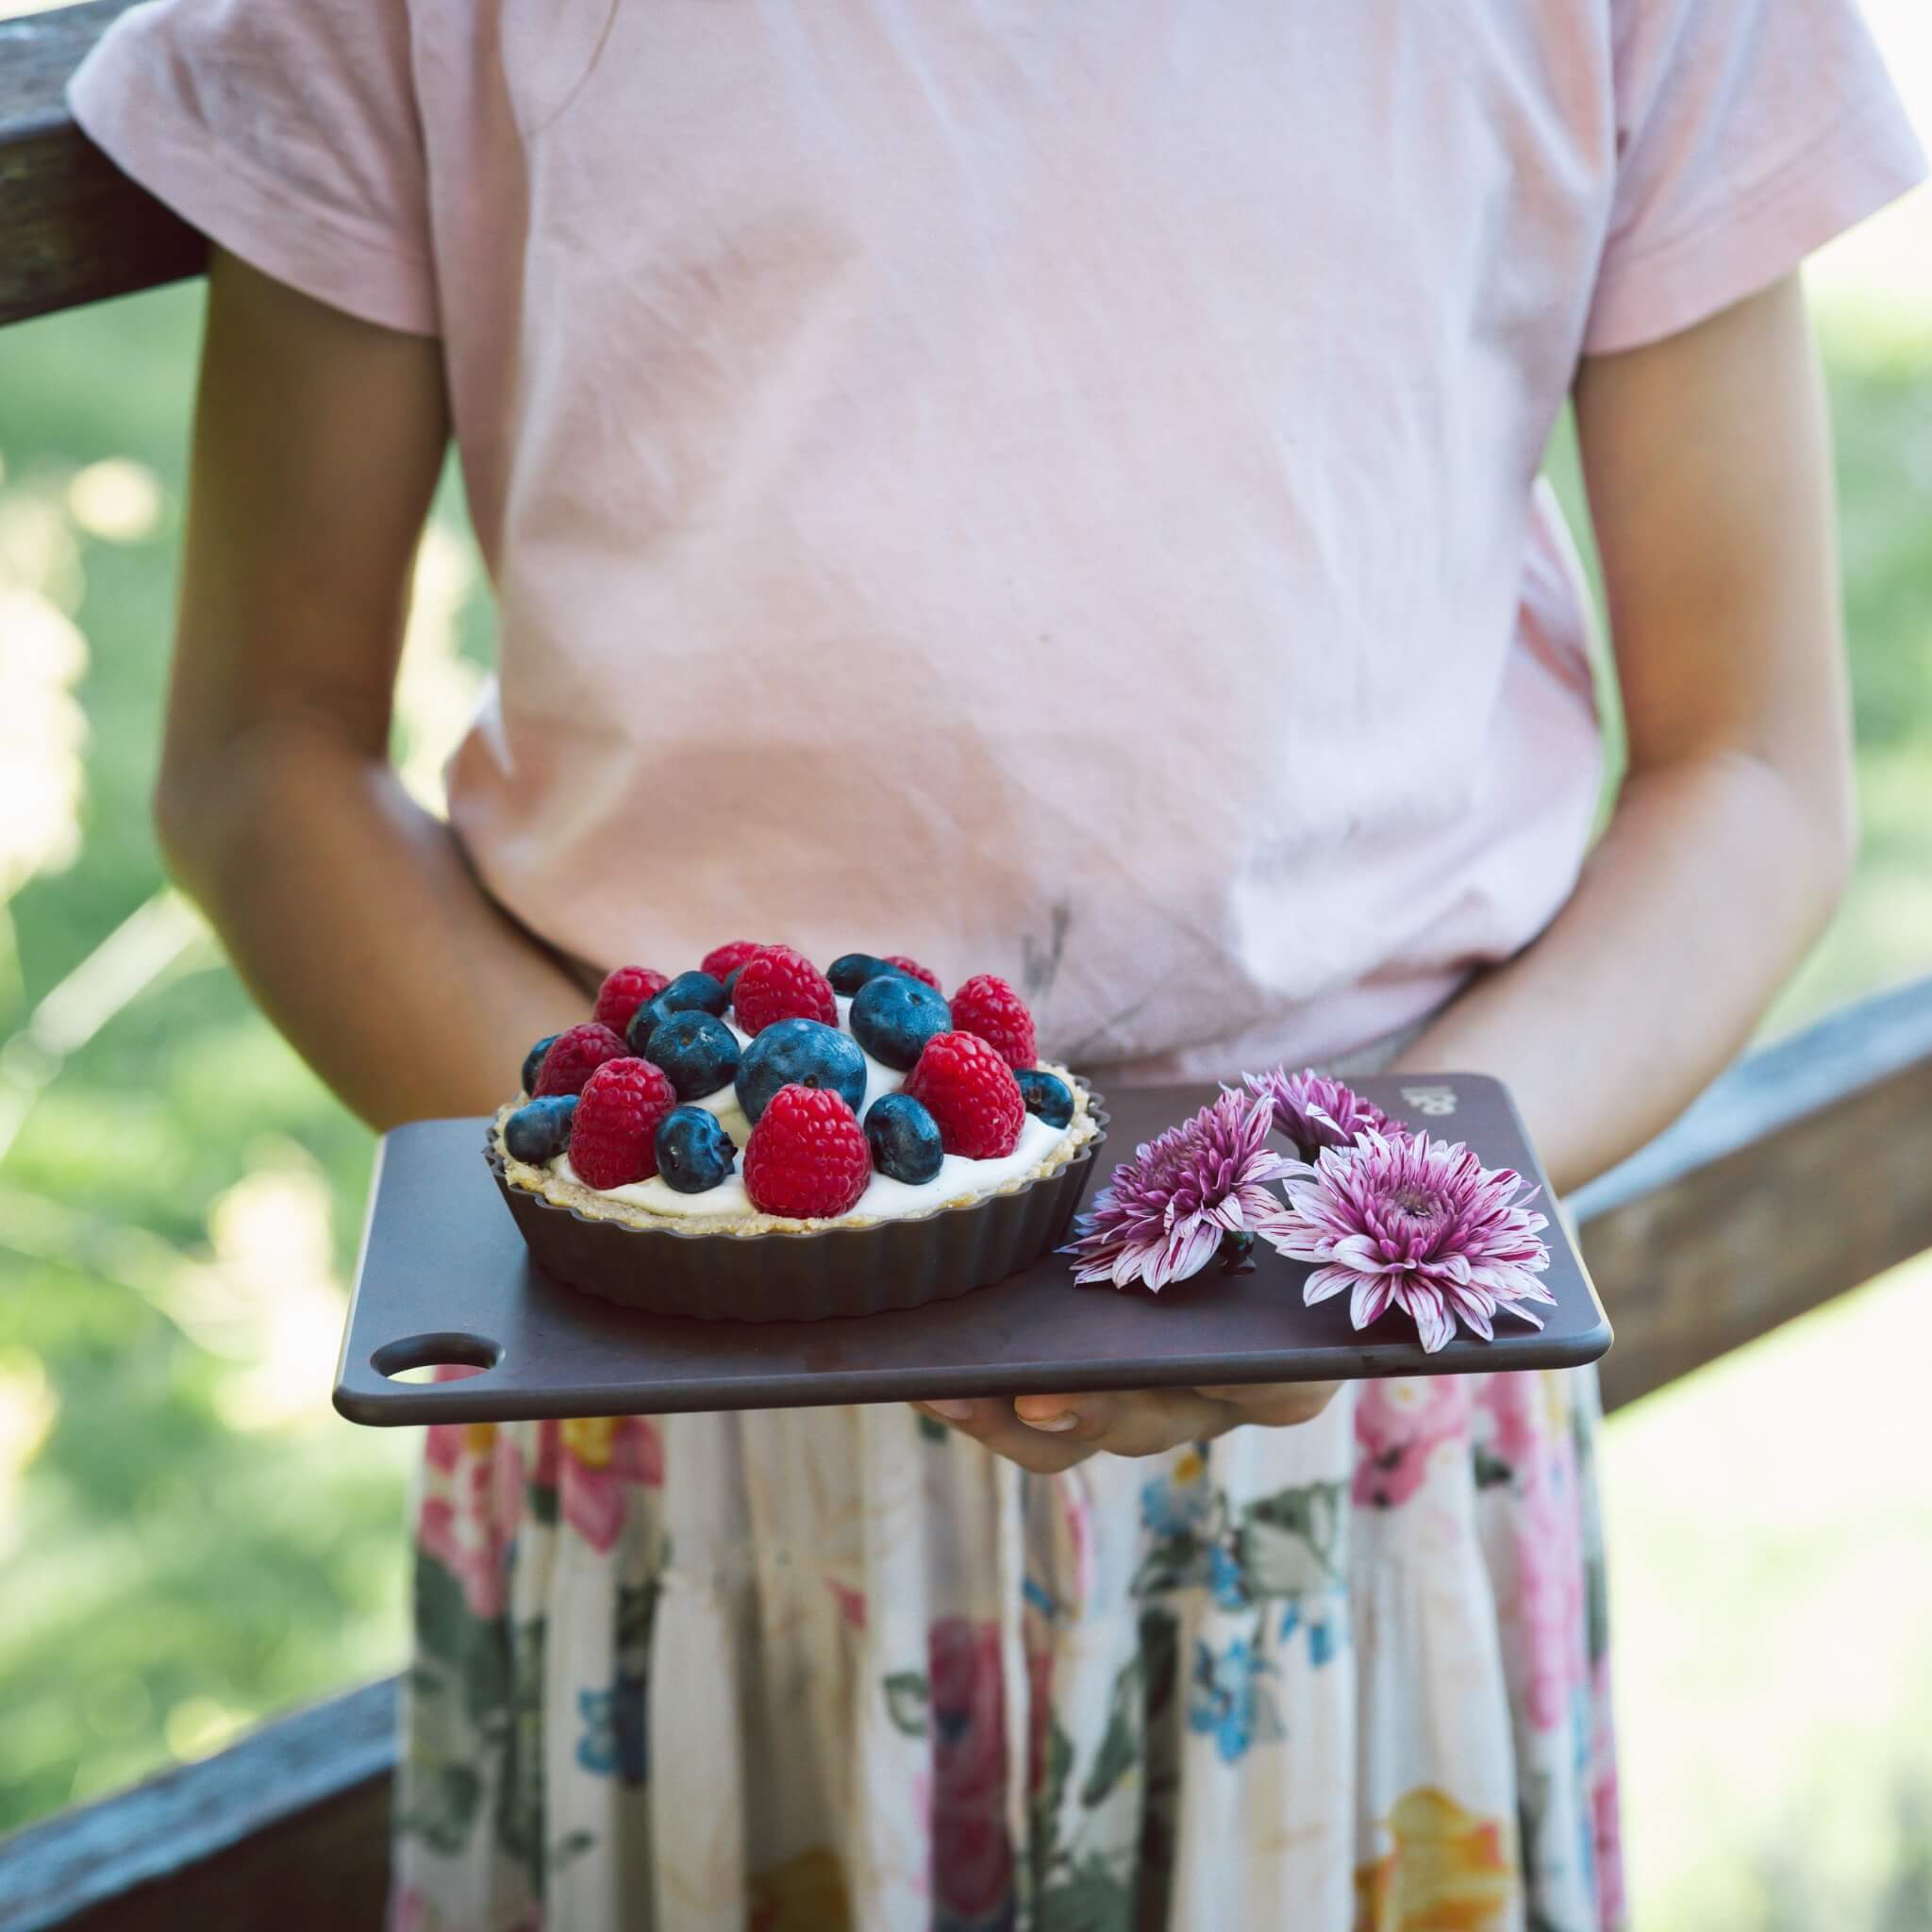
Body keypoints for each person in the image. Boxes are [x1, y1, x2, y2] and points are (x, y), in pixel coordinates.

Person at [70, 2, 1922, 1925]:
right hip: (682, 1435)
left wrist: (1339, 1239)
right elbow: (261, 753)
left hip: (1362, 1399)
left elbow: (1754, 771)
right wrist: (693, 1212)